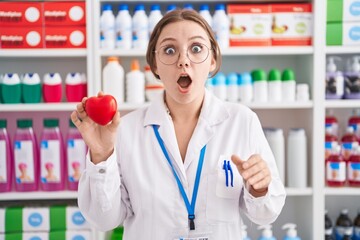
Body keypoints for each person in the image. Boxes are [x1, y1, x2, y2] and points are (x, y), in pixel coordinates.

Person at [71, 9, 286, 239]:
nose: (183, 60)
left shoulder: (241, 122)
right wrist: (102, 155)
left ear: (212, 60)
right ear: (154, 64)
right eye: (170, 50)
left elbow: (266, 213)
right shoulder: (125, 130)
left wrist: (260, 187)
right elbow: (104, 220)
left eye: (196, 48)